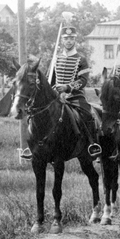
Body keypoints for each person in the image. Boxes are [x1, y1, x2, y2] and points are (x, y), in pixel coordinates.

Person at [38, 25, 102, 160]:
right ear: (62, 40)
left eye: (71, 38)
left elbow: (83, 80)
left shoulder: (81, 60)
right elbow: (50, 79)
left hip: (75, 96)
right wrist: (52, 89)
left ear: (75, 40)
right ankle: (37, 145)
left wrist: (67, 87)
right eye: (66, 38)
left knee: (88, 114)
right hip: (56, 97)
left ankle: (92, 144)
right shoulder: (56, 59)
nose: (69, 41)